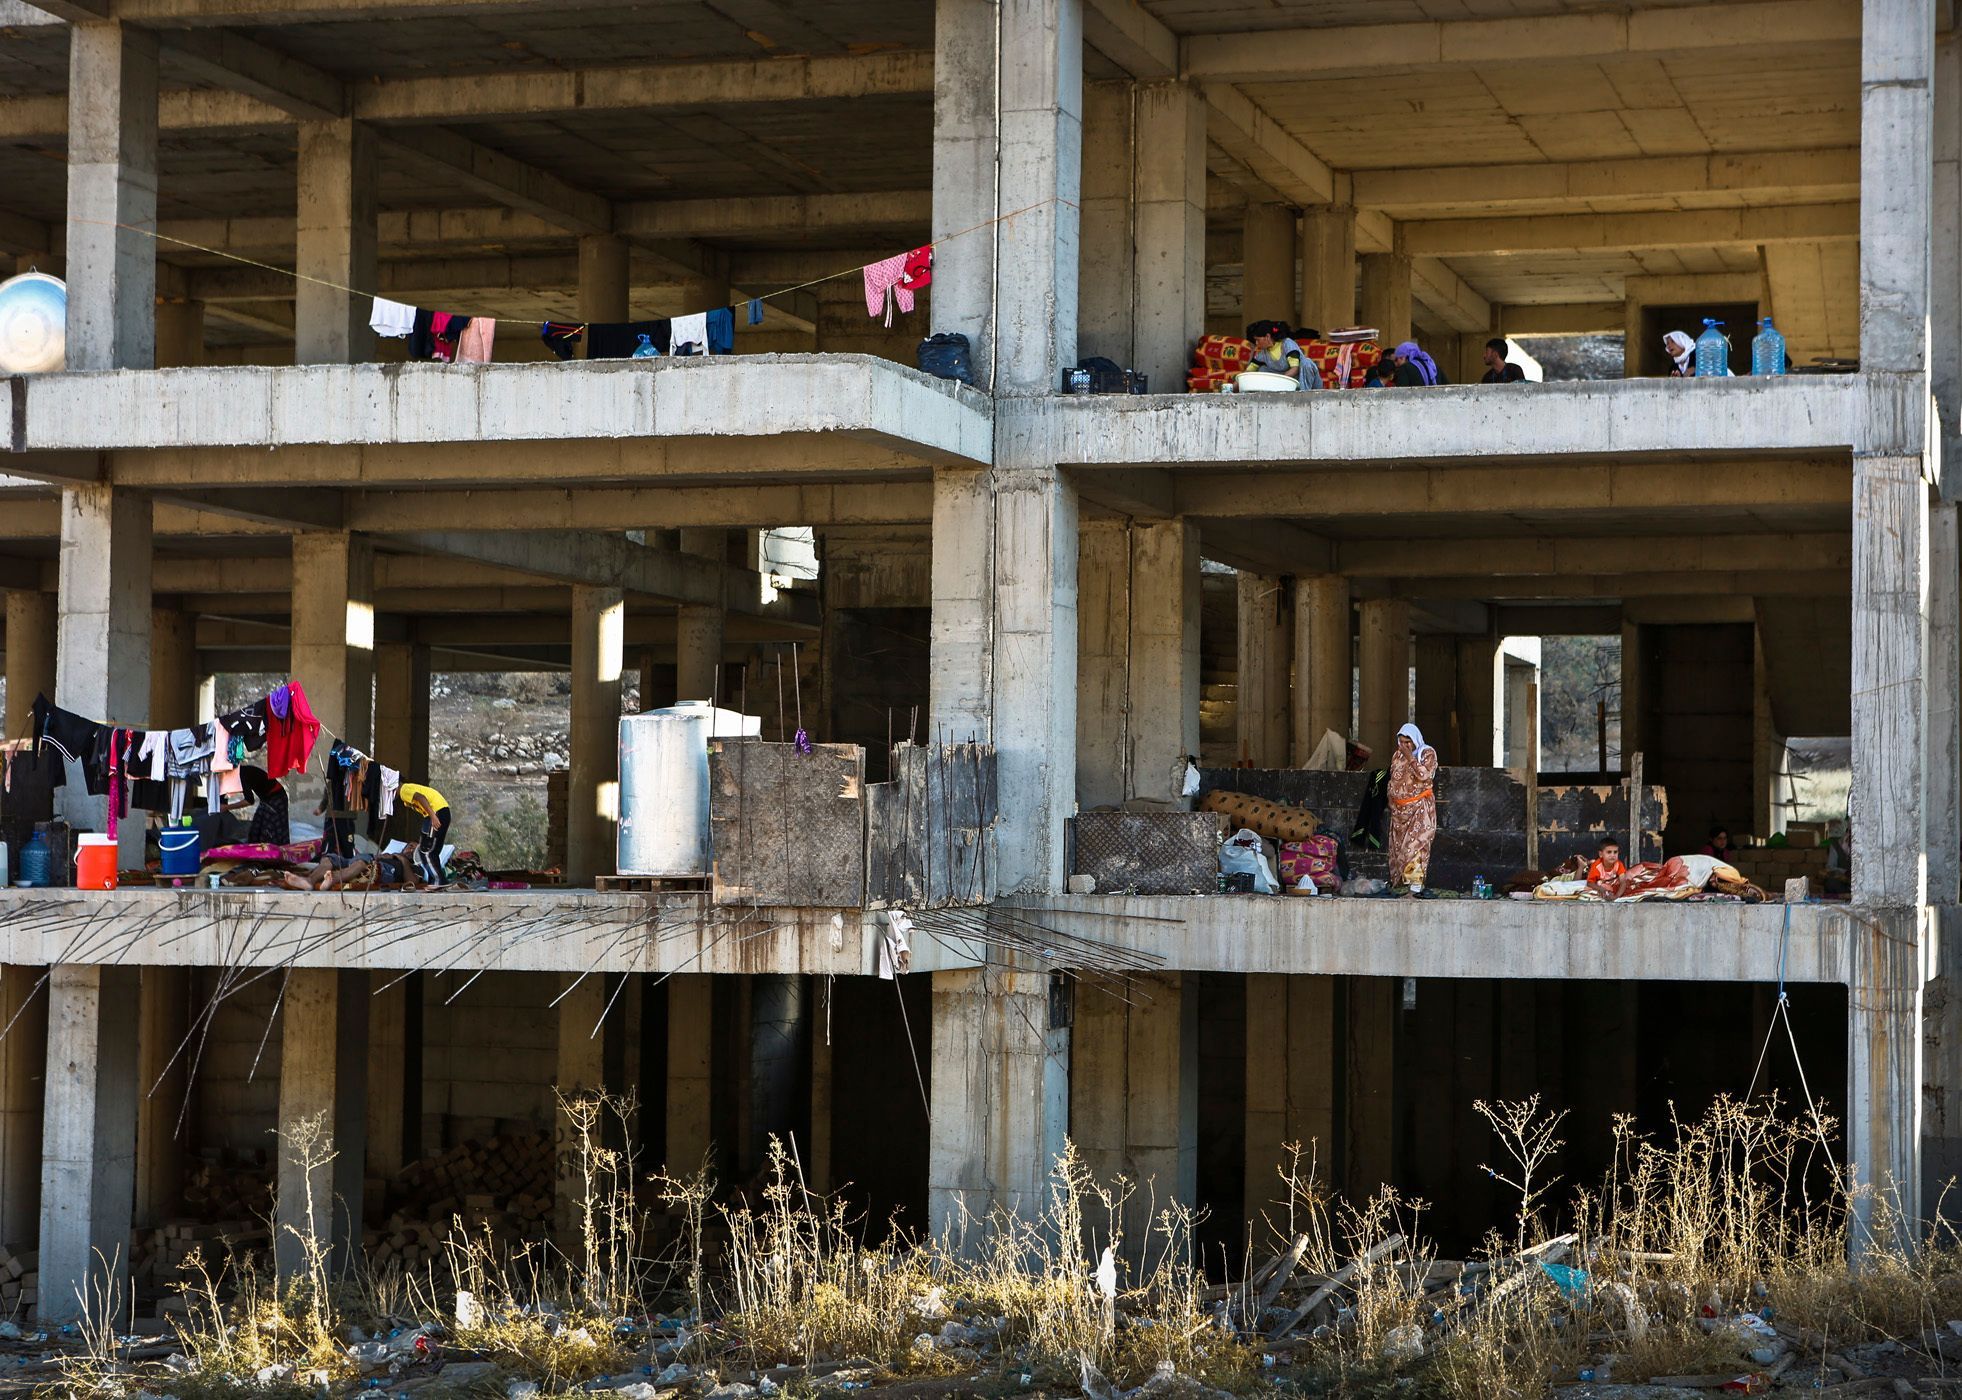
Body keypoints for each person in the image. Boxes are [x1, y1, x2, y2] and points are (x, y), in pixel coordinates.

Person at [1386, 723, 1438, 892]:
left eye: (1408, 742)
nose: (1404, 746)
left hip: (1419, 810)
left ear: (1415, 740)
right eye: (1401, 742)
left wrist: (1410, 758)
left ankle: (1414, 887)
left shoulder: (1427, 753)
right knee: (1399, 850)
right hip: (1399, 813)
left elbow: (1424, 775)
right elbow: (1393, 778)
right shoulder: (1397, 755)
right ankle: (1402, 887)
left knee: (1415, 847)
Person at [398, 782, 452, 885]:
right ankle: (435, 881)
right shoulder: (407, 790)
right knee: (424, 849)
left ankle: (439, 881)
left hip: (436, 812)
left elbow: (421, 797)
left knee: (427, 851)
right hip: (434, 813)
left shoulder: (403, 790)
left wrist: (433, 816)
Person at [1245, 319, 1322, 390]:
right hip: (1289, 385)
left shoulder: (1287, 344)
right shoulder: (1262, 353)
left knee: (1306, 363)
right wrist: (1237, 385)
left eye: (1258, 340)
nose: (1256, 343)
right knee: (1262, 370)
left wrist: (1279, 382)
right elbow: (1248, 372)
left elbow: (1295, 369)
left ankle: (1304, 394)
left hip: (1307, 385)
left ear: (1267, 336)